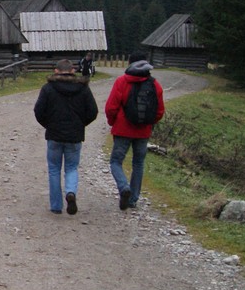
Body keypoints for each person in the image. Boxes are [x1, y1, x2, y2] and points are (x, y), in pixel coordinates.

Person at [34, 59, 99, 215]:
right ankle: (70, 192)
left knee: (54, 169)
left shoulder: (48, 88)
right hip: (75, 136)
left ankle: (56, 206)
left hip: (54, 135)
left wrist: (48, 125)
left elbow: (38, 111)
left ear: (56, 71)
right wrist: (80, 124)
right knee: (71, 168)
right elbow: (93, 112)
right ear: (73, 70)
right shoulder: (83, 88)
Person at [104, 53, 165, 210]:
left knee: (115, 161)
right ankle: (133, 199)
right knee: (138, 163)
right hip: (143, 132)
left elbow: (111, 107)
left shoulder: (122, 81)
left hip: (122, 129)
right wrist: (149, 123)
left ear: (130, 64)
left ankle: (124, 187)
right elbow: (159, 111)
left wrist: (113, 123)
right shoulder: (155, 84)